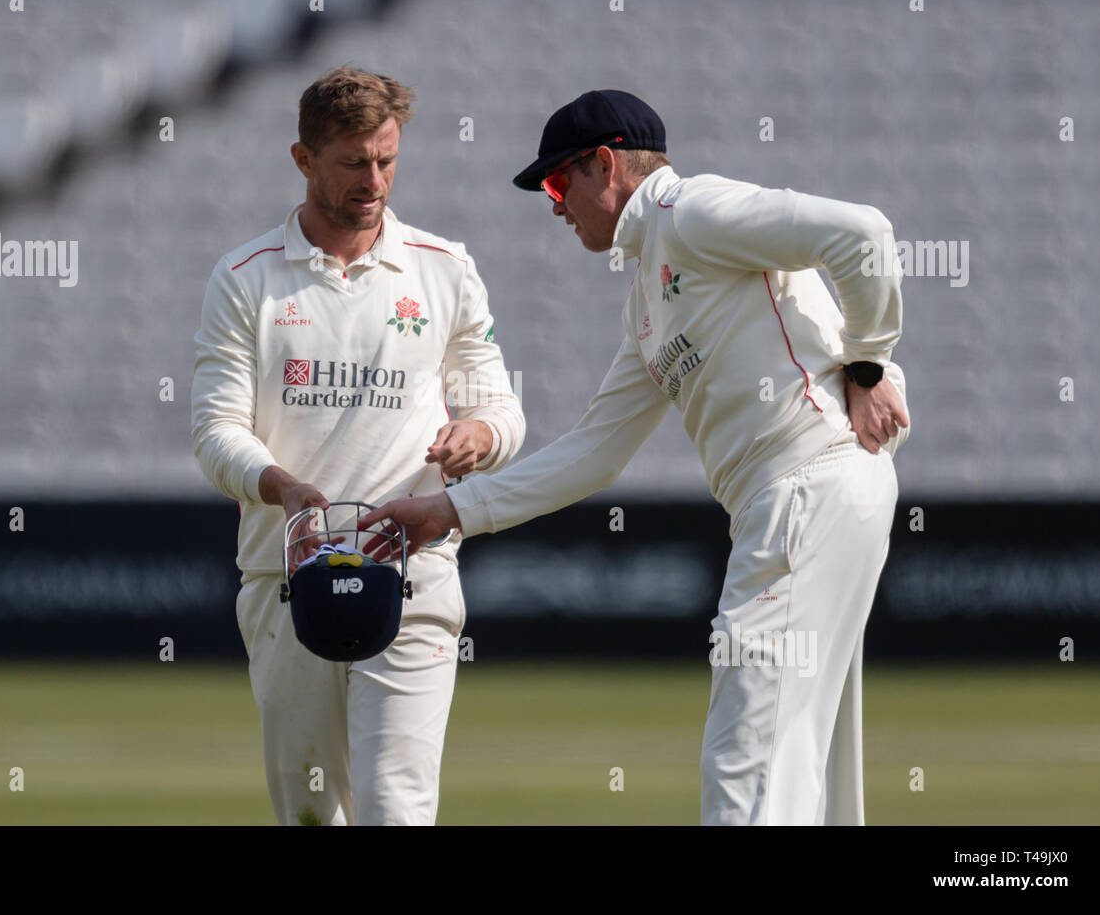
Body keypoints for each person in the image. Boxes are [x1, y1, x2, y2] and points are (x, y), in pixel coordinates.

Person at [359, 89, 911, 825]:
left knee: (749, 759)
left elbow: (864, 235)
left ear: (608, 165)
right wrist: (448, 510)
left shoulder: (691, 211)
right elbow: (594, 452)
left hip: (805, 485)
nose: (555, 206)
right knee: (806, 762)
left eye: (559, 183)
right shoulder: (647, 300)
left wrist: (869, 366)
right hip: (801, 499)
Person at [190, 67, 525, 825]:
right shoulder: (246, 279)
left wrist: (480, 434)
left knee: (396, 808)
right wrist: (281, 486)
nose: (374, 179)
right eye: (352, 162)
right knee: (313, 814)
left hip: (412, 571)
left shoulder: (445, 269)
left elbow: (501, 410)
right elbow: (213, 433)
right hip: (288, 573)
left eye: (387, 159)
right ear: (304, 159)